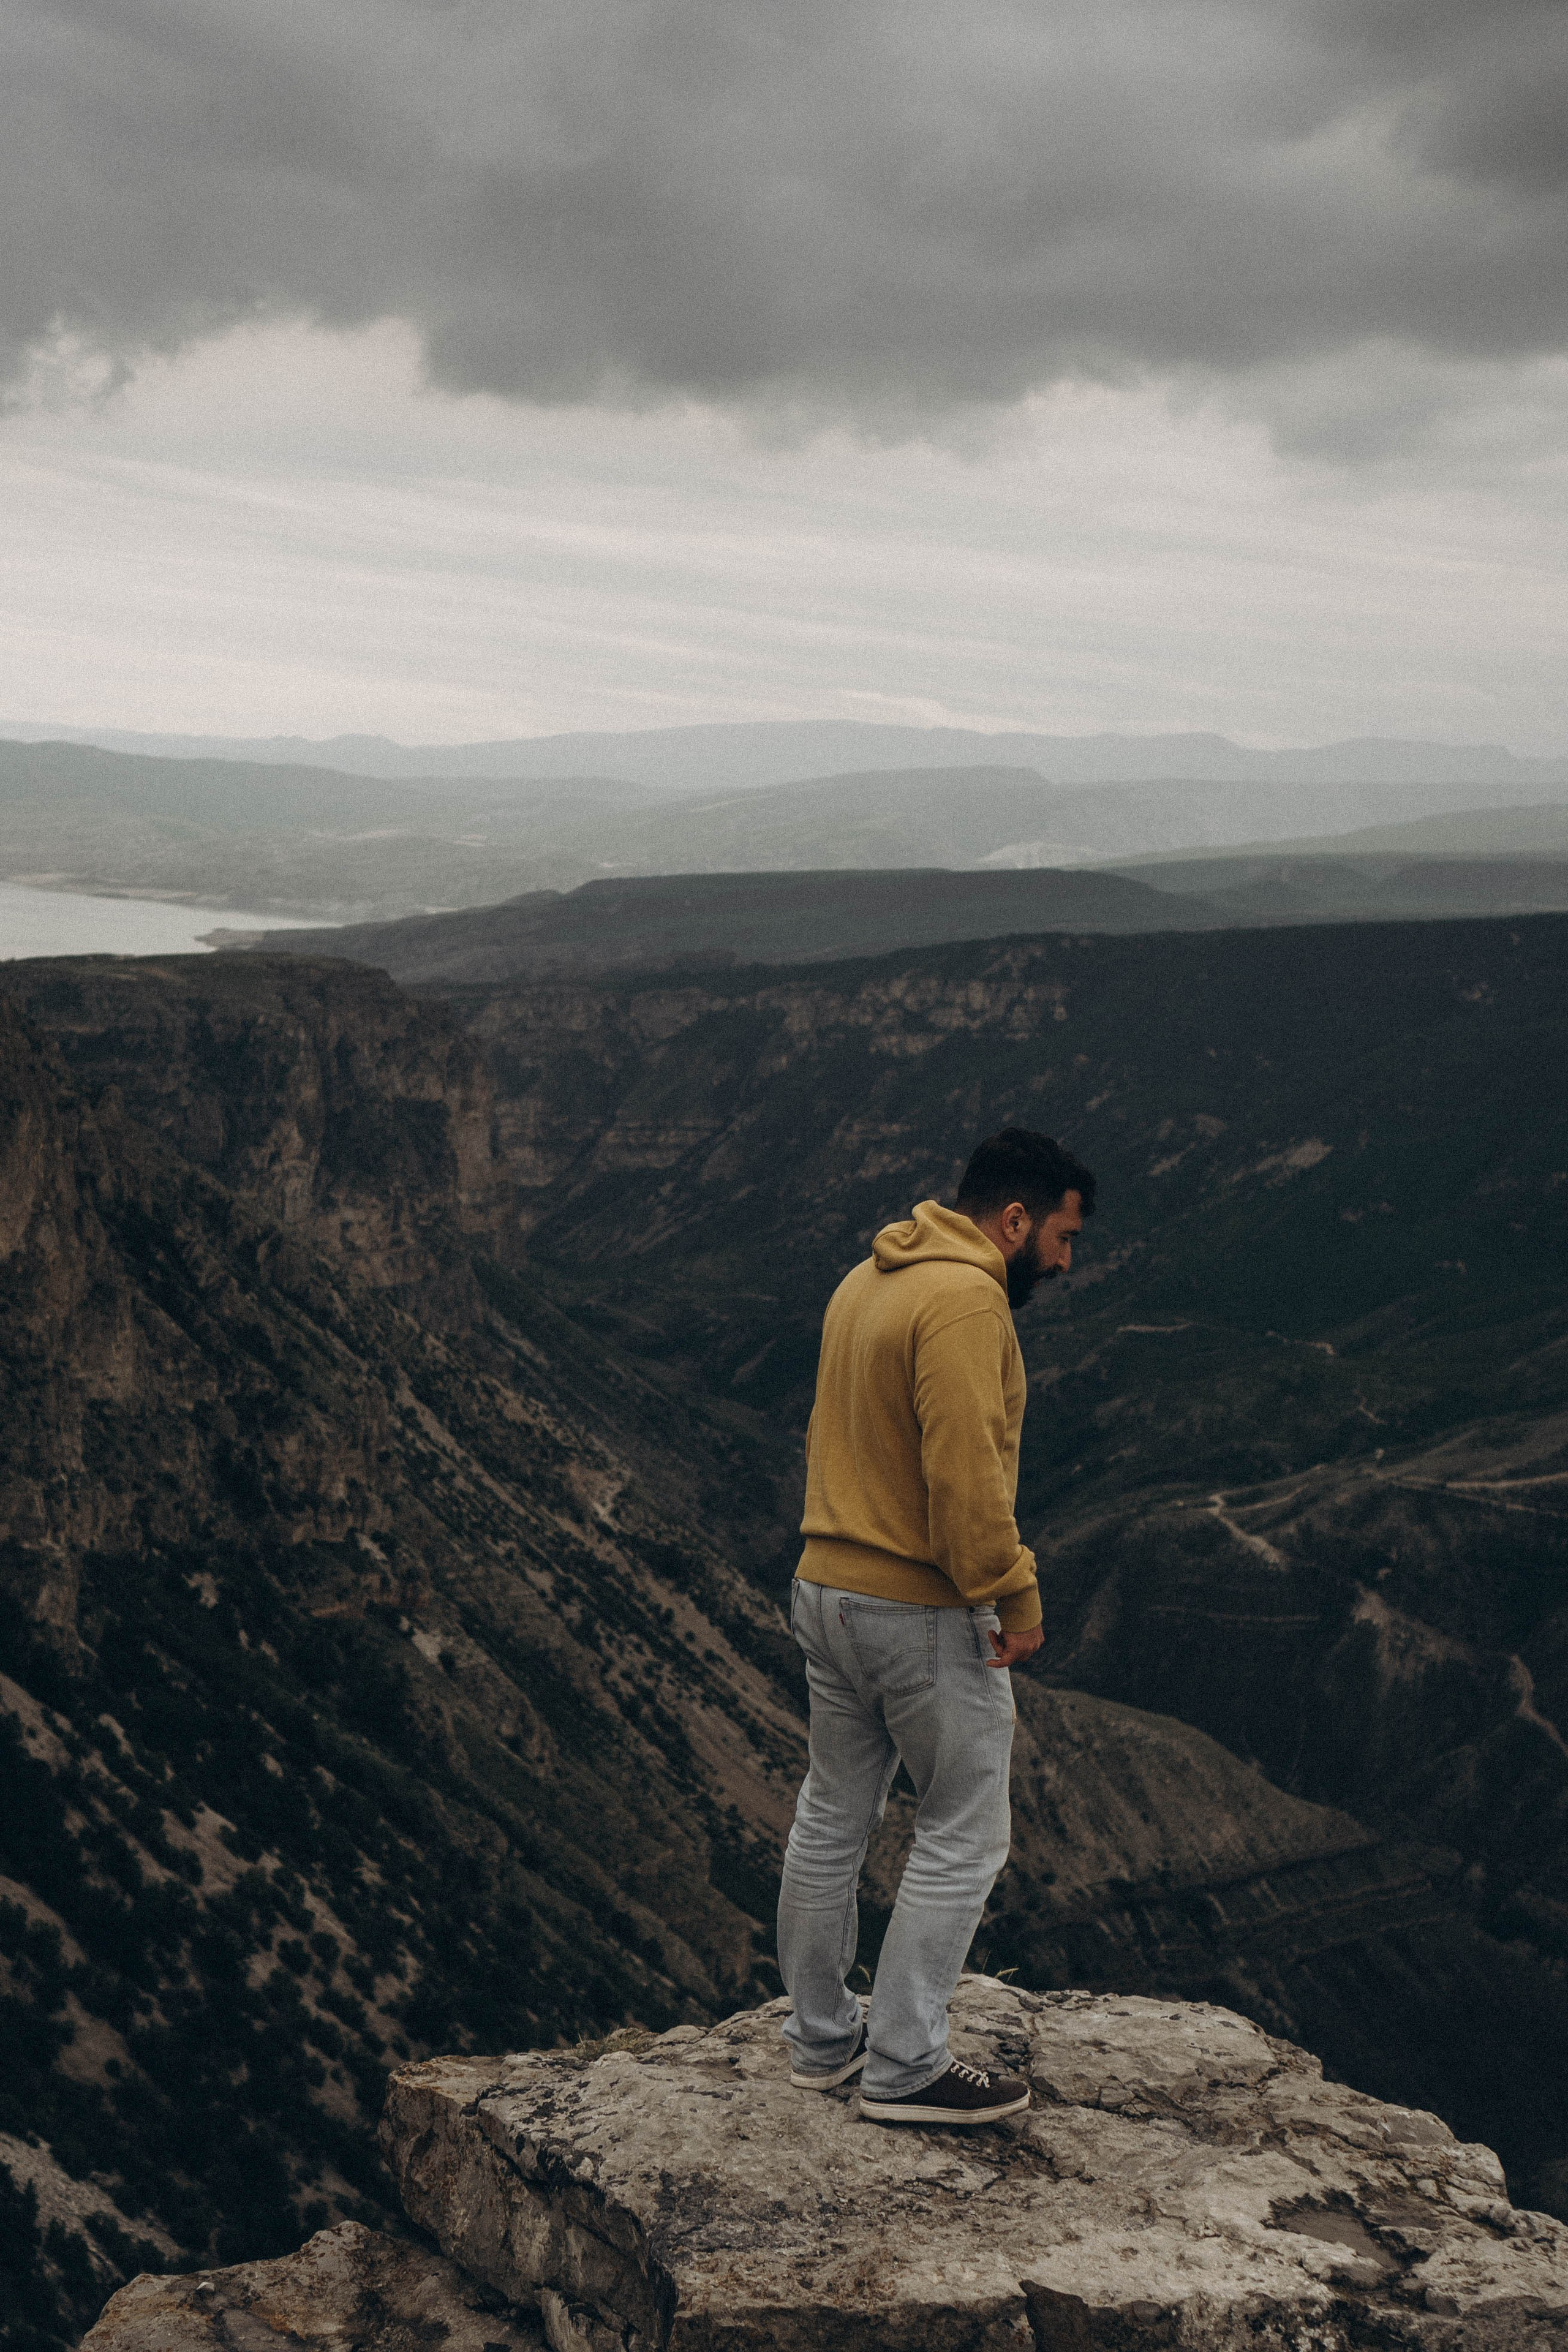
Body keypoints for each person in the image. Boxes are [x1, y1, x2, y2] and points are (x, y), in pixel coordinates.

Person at [776, 1126, 1095, 2125]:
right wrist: (1017, 1593)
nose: (1064, 1258)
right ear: (1013, 1221)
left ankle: (823, 2040)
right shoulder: (965, 1300)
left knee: (834, 1813)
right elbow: (966, 1482)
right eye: (1061, 1234)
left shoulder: (865, 1279)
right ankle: (907, 2064)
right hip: (914, 1607)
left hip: (824, 1587)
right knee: (966, 1826)